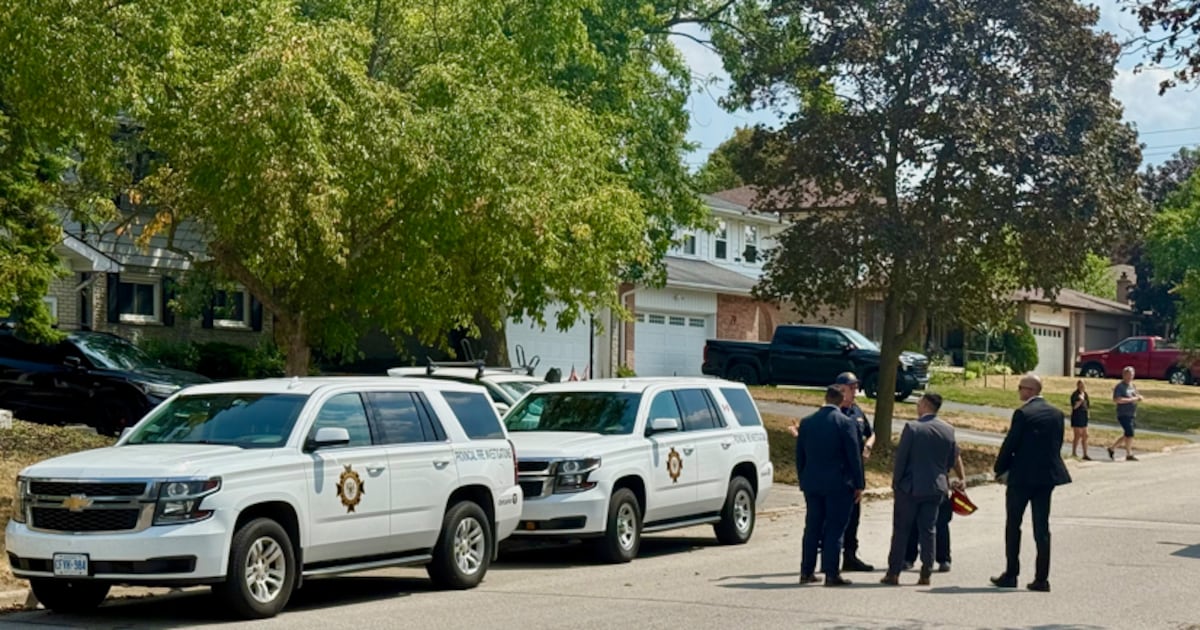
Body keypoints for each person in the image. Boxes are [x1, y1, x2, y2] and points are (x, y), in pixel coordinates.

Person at [991, 373, 1072, 593]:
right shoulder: (1057, 414)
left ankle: (1011, 573)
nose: (1019, 391)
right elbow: (1057, 443)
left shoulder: (1023, 413)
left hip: (1022, 477)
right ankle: (1041, 577)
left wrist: (999, 468)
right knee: (1042, 527)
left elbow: (1011, 443)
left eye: (1021, 387)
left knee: (1013, 524)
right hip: (1046, 476)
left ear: (1030, 390)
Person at [880, 393, 963, 586]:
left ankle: (894, 572)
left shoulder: (913, 428)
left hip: (911, 487)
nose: (917, 406)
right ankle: (926, 572)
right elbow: (951, 460)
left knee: (902, 530)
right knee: (929, 530)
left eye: (919, 402)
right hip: (936, 487)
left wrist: (896, 483)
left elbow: (902, 460)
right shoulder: (948, 429)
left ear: (925, 404)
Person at [795, 386, 865, 587]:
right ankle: (831, 573)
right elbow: (854, 456)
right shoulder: (845, 423)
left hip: (813, 483)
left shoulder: (807, 423)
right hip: (838, 483)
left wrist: (803, 479)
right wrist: (859, 484)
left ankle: (806, 571)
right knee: (835, 528)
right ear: (841, 399)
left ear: (825, 398)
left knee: (812, 527)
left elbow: (800, 456)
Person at [832, 372, 876, 572]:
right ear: (841, 389)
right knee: (835, 518)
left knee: (854, 517)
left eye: (856, 387)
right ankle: (830, 557)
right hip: (838, 473)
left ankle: (850, 556)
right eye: (851, 388)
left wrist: (868, 446)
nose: (855, 391)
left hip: (856, 471)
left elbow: (871, 433)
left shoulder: (857, 411)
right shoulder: (834, 413)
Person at [1108, 367, 1143, 462]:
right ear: (1123, 375)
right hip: (1123, 414)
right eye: (1128, 375)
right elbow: (1117, 400)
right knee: (1130, 433)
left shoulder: (1132, 385)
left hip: (1132, 413)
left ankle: (1112, 448)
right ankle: (1129, 454)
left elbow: (1136, 395)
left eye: (1131, 375)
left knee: (1128, 434)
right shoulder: (1120, 387)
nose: (1130, 377)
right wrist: (1132, 400)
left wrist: (1139, 397)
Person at [1070, 380, 1091, 460]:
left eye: (1083, 385)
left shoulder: (1085, 394)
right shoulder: (1075, 395)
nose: (1082, 387)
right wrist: (1080, 401)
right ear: (1078, 386)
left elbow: (1087, 405)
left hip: (1084, 416)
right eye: (1081, 385)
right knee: (1077, 435)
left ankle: (1085, 454)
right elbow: (1074, 407)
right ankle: (1074, 452)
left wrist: (1088, 413)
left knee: (1085, 435)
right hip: (1077, 416)